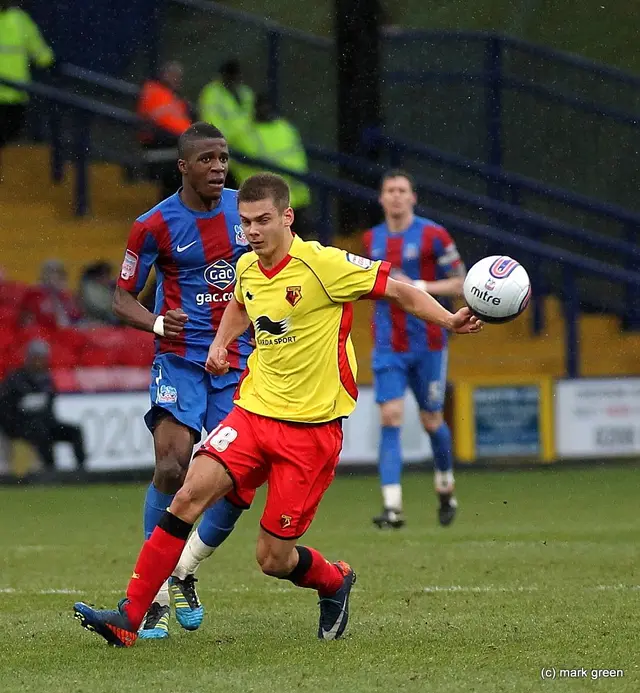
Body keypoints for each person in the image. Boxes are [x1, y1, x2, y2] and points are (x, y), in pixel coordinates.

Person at [72, 172, 482, 648]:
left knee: (273, 558)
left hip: (311, 432)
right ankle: (131, 617)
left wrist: (450, 319)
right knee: (187, 496)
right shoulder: (246, 265)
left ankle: (333, 580)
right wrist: (222, 344)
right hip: (253, 412)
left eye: (263, 220)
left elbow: (399, 288)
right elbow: (242, 305)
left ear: (287, 217)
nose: (253, 231)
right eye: (245, 222)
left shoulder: (323, 265)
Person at [110, 122, 254, 640]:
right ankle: (146, 598)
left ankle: (183, 571)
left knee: (238, 485)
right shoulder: (152, 225)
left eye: (224, 158)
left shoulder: (248, 211)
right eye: (208, 159)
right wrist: (154, 321)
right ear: (183, 167)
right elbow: (122, 296)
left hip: (238, 363)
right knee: (171, 466)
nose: (218, 167)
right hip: (178, 360)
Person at [362, 170, 466, 529]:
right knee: (390, 417)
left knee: (431, 420)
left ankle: (445, 485)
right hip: (388, 345)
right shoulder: (371, 239)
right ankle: (392, 506)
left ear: (413, 197)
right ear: (380, 198)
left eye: (401, 190)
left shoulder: (433, 234)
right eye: (388, 190)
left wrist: (417, 285)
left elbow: (462, 281)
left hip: (429, 344)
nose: (395, 196)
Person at [234, 93, 314, 238]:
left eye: (267, 106)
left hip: (296, 199)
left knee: (301, 247)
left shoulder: (285, 128)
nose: (265, 110)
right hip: (268, 203)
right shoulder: (246, 134)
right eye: (261, 107)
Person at [0, 340, 85, 475]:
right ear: (28, 358)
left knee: (74, 431)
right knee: (41, 432)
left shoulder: (47, 380)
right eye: (36, 357)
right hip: (22, 427)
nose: (39, 361)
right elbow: (6, 411)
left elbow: (49, 408)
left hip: (45, 424)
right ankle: (51, 471)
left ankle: (82, 471)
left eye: (42, 358)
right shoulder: (15, 380)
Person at [0, 0, 54, 181]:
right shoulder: (21, 20)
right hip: (13, 94)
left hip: (16, 94)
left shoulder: (21, 20)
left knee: (11, 133)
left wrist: (49, 61)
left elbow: (39, 50)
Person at [137, 61, 192, 200]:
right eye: (173, 75)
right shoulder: (152, 90)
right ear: (164, 75)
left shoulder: (176, 97)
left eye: (178, 77)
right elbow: (152, 125)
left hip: (178, 144)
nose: (176, 80)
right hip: (160, 144)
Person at [198, 59, 255, 187]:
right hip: (225, 151)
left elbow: (252, 122)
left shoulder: (246, 93)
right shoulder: (212, 93)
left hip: (247, 150)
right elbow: (211, 124)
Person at [19, 259, 83, 329]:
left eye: (60, 276)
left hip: (68, 333)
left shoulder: (67, 296)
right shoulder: (34, 295)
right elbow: (26, 322)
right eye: (51, 274)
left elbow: (77, 317)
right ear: (44, 277)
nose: (56, 279)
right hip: (44, 334)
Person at [78, 261, 119, 325]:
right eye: (106, 275)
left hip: (104, 318)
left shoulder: (106, 287)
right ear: (99, 276)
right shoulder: (90, 287)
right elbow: (96, 308)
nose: (109, 278)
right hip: (93, 320)